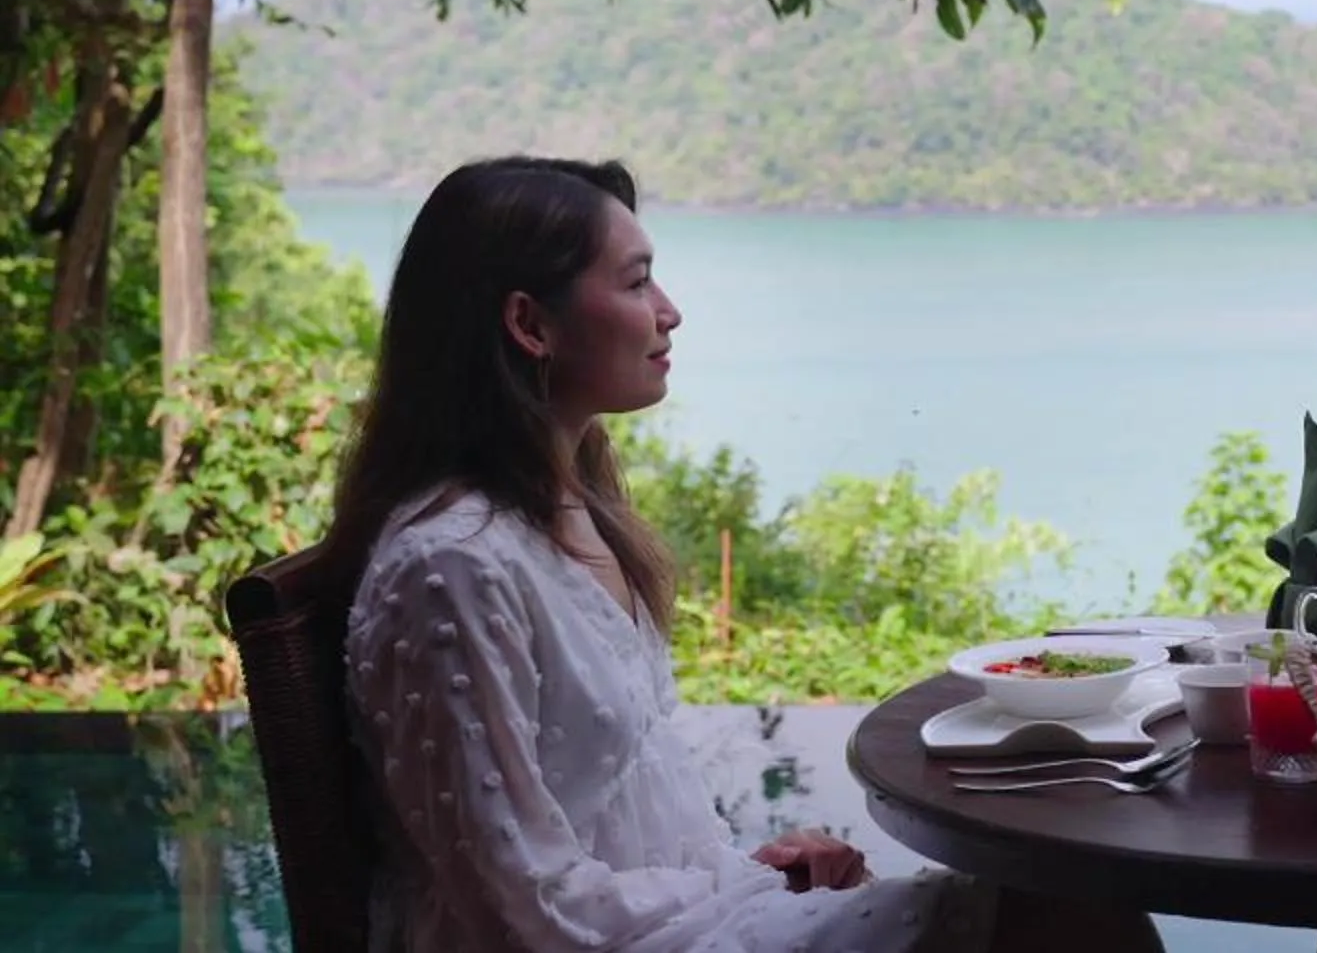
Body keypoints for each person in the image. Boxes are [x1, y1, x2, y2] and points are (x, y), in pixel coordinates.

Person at [323, 156, 1161, 953]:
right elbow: (518, 906)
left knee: (1078, 908)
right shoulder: (453, 568)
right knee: (1070, 921)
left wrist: (750, 875)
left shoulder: (570, 518)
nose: (669, 310)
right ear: (529, 324)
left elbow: (626, 808)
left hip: (669, 922)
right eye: (635, 280)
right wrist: (733, 898)